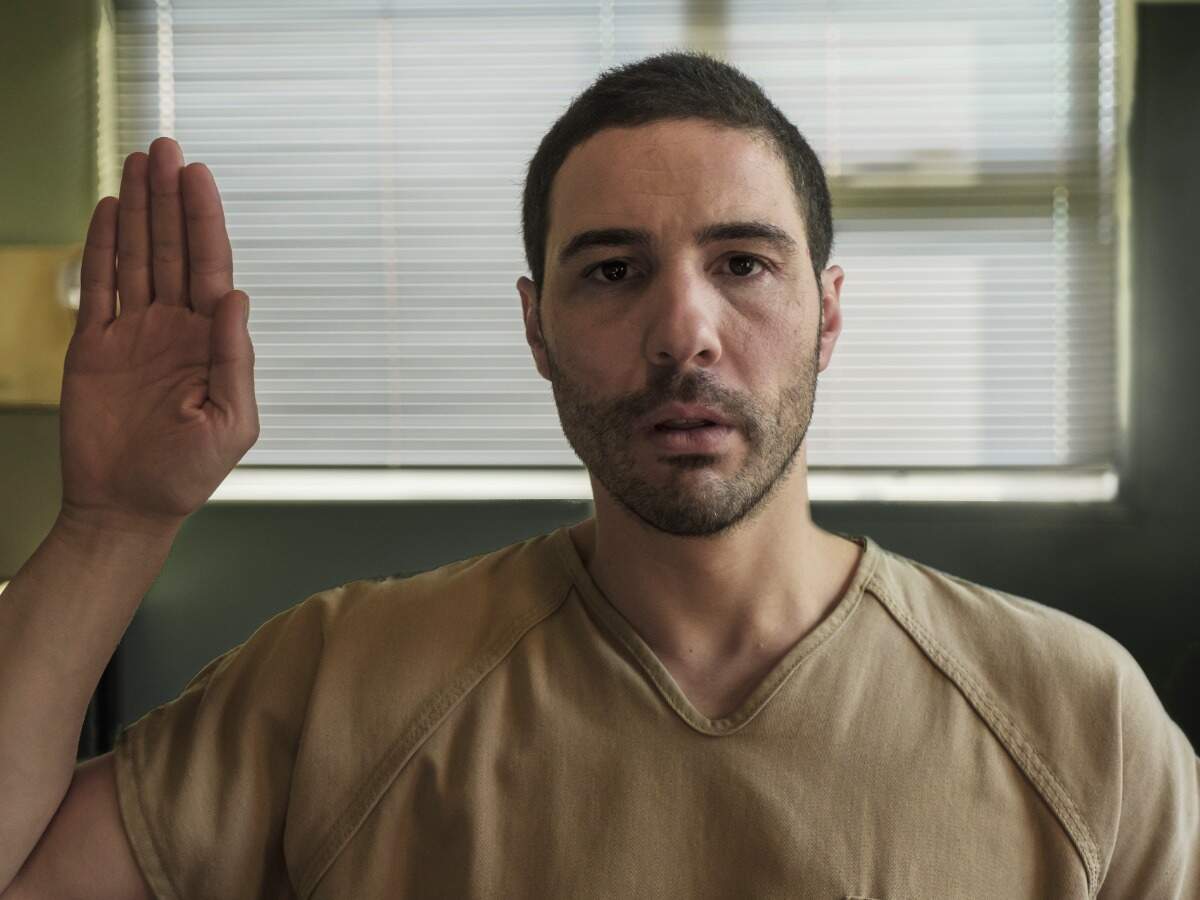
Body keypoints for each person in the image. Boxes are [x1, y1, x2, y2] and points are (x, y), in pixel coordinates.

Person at [0, 50, 1195, 900]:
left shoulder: (1078, 720)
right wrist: (111, 525)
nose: (685, 333)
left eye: (743, 262)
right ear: (535, 328)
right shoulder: (332, 689)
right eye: (614, 272)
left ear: (829, 317)